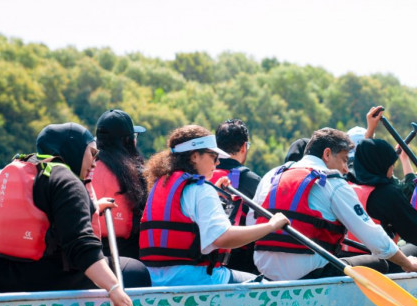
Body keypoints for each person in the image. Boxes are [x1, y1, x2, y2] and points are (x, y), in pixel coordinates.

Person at [0, 123, 152, 306]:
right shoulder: (67, 180)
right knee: (135, 271)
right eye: (92, 153)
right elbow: (82, 247)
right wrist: (113, 288)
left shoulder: (28, 170)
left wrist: (93, 206)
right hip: (44, 279)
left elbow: (46, 211)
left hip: (2, 277)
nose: (94, 162)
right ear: (74, 148)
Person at [248, 127, 417, 281]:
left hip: (266, 270)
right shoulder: (332, 182)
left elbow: (251, 223)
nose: (346, 169)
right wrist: (407, 262)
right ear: (326, 154)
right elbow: (372, 236)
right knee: (380, 263)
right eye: (343, 159)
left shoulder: (272, 175)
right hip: (308, 274)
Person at [139, 125, 289, 286]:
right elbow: (223, 238)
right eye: (213, 156)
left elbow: (188, 210)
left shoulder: (161, 183)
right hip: (196, 278)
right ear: (195, 156)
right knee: (269, 287)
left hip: (156, 279)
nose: (217, 162)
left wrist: (214, 191)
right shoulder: (200, 190)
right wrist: (271, 225)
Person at [342, 138, 417, 259]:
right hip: (376, 263)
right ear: (381, 165)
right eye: (390, 165)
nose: (392, 169)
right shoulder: (386, 194)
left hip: (343, 257)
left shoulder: (346, 184)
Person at [91, 109, 147, 259]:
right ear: (128, 140)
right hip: (128, 257)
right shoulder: (140, 174)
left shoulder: (85, 169)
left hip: (90, 255)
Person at [209, 118, 262, 274]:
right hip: (239, 261)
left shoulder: (202, 175)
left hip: (202, 256)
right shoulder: (252, 180)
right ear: (244, 147)